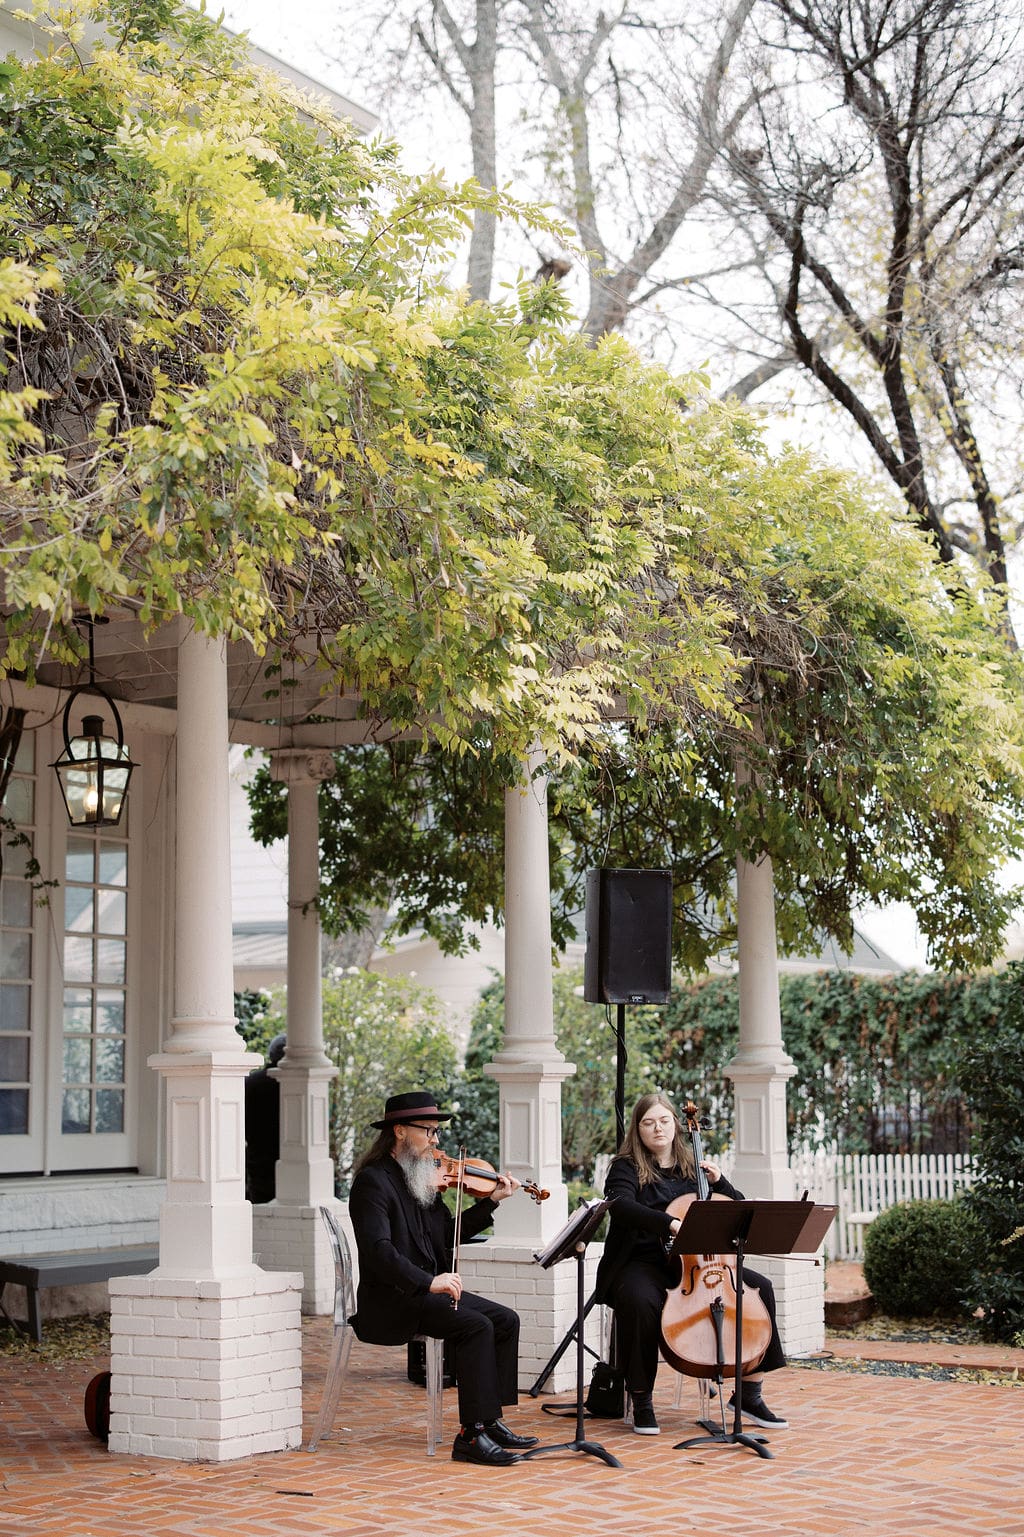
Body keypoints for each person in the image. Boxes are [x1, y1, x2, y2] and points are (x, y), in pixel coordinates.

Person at [347, 1089, 539, 1467]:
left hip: (423, 1294)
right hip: (393, 1300)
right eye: (429, 1131)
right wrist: (428, 1281)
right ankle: (470, 1436)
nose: (436, 1141)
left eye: (436, 1133)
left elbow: (448, 1236)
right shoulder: (373, 1182)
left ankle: (488, 1419)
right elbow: (378, 1251)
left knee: (505, 1320)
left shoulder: (421, 1178)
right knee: (475, 1326)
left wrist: (491, 1201)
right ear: (400, 1131)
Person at [595, 1090, 789, 1436]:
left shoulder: (692, 1167)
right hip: (643, 1263)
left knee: (760, 1288)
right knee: (639, 1301)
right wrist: (668, 1223)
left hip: (696, 1266)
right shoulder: (625, 1167)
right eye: (648, 1122)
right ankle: (641, 1398)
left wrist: (720, 1182)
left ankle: (749, 1395)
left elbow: (737, 1208)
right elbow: (621, 1206)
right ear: (637, 1129)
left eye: (664, 1121)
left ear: (676, 1124)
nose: (658, 1129)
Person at [244, 1033, 286, 1204]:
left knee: (259, 1206)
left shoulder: (251, 1082)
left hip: (258, 1156)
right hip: (285, 1155)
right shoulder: (295, 1084)